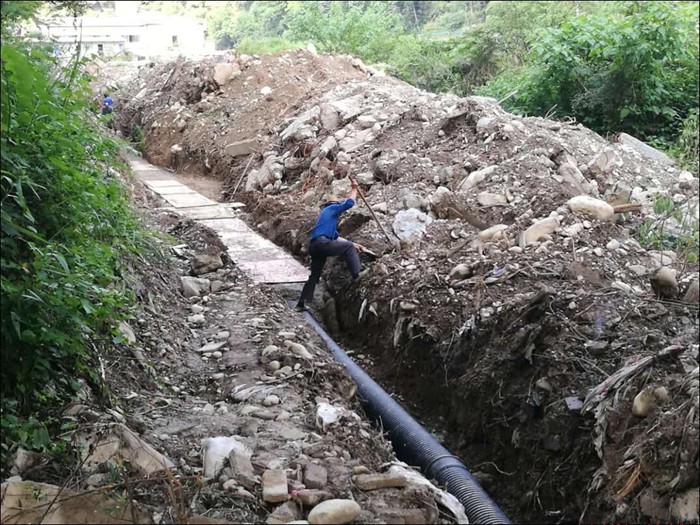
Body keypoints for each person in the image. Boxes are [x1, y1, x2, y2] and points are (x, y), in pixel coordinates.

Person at [296, 179, 367, 312]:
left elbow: (335, 237)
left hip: (315, 246)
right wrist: (354, 189)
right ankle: (357, 275)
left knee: (314, 276)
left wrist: (353, 243)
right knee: (348, 248)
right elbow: (349, 203)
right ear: (333, 204)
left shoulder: (325, 218)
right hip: (322, 244)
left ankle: (301, 304)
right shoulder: (332, 208)